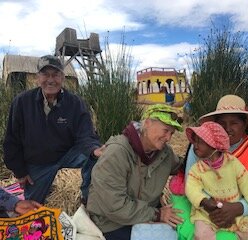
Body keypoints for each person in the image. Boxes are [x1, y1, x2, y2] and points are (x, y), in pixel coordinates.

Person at [170, 94, 248, 239]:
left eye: (234, 123)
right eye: (222, 123)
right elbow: (192, 184)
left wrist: (237, 208)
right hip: (204, 204)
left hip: (239, 203)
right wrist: (215, 208)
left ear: (245, 124)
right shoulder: (200, 147)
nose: (227, 129)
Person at [3, 55, 105, 204]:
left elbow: (86, 135)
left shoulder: (76, 103)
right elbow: (12, 140)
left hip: (67, 154)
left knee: (95, 158)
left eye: (56, 74)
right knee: (33, 206)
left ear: (62, 77)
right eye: (45, 74)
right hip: (38, 162)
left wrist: (94, 150)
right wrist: (20, 172)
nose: (50, 80)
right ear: (38, 77)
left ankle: (87, 198)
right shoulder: (21, 102)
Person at [86, 104, 185, 240]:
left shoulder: (165, 153)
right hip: (112, 223)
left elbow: (182, 167)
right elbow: (114, 206)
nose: (168, 138)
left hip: (144, 214)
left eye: (172, 133)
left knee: (182, 231)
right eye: (165, 130)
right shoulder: (117, 152)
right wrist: (157, 215)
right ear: (148, 123)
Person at [185, 121, 248, 240]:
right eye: (195, 141)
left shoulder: (233, 163)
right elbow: (191, 188)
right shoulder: (197, 169)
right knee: (201, 235)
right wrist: (204, 202)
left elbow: (247, 184)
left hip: (235, 211)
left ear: (214, 145)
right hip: (207, 213)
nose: (195, 146)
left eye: (200, 142)